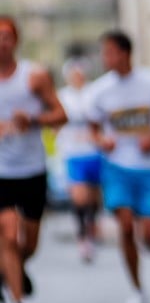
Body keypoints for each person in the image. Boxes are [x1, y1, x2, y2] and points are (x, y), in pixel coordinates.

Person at [86, 30, 150, 303]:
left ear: (125, 53)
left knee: (149, 236)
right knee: (125, 226)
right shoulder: (98, 91)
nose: (105, 58)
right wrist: (103, 141)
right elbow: (93, 128)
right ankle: (137, 289)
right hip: (117, 168)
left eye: (109, 52)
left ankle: (147, 241)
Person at [0, 15, 67, 303]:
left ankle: (11, 270)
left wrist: (34, 119)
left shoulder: (34, 77)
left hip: (32, 169)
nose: (2, 42)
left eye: (7, 36)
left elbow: (61, 115)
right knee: (9, 236)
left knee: (29, 242)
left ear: (16, 40)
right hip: (1, 172)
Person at [57, 57, 102, 262]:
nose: (77, 78)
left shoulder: (93, 94)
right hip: (73, 154)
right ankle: (82, 234)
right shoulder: (62, 97)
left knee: (93, 199)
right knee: (79, 198)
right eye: (73, 75)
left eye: (80, 74)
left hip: (94, 152)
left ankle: (92, 227)